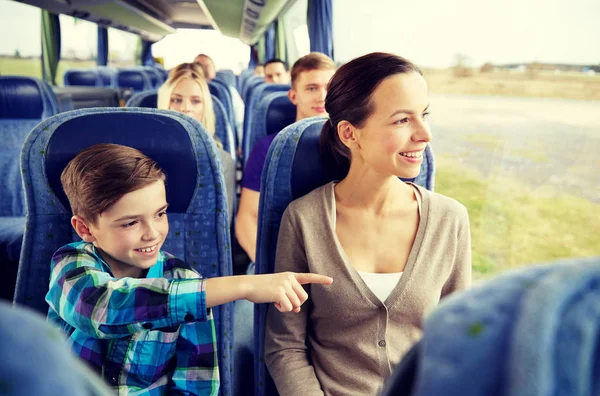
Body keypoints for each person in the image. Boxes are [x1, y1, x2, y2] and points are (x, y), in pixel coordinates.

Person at [46, 143, 333, 395]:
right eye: (131, 222)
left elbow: (197, 382)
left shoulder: (184, 280)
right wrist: (243, 286)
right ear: (85, 228)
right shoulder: (70, 265)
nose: (153, 233)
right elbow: (103, 307)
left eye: (160, 214)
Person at [265, 52, 472, 395]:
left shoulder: (450, 220)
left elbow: (458, 341)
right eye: (402, 120)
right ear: (349, 134)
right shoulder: (304, 219)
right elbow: (285, 347)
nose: (425, 134)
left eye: (424, 115)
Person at [236, 52, 336, 262]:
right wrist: (268, 268)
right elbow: (246, 220)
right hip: (276, 260)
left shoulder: (352, 147)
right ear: (293, 96)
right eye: (311, 88)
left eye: (329, 88)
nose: (322, 96)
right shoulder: (268, 149)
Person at [157, 62, 235, 222]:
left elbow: (222, 226)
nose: (186, 108)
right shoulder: (140, 156)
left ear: (204, 109)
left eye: (196, 101)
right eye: (176, 100)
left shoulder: (221, 161)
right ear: (165, 104)